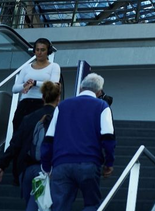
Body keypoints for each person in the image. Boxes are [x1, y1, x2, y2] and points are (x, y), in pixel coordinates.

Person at [41, 73, 116, 211]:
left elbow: (48, 138)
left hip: (61, 163)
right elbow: (108, 137)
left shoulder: (62, 106)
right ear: (99, 92)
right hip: (89, 162)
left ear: (81, 88)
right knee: (91, 205)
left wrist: (46, 166)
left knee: (59, 207)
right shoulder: (102, 106)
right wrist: (109, 163)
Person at [0, 80, 62, 211]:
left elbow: (15, 144)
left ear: (43, 97)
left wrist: (2, 165)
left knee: (32, 203)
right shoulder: (61, 119)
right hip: (49, 170)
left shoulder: (29, 118)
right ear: (58, 98)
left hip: (26, 169)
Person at [10, 38, 61, 130]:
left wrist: (35, 83)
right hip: (25, 103)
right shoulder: (26, 68)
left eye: (42, 50)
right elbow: (14, 89)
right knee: (18, 128)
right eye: (37, 50)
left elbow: (53, 85)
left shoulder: (54, 66)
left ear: (48, 51)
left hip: (42, 103)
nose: (39, 52)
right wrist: (25, 85)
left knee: (36, 131)